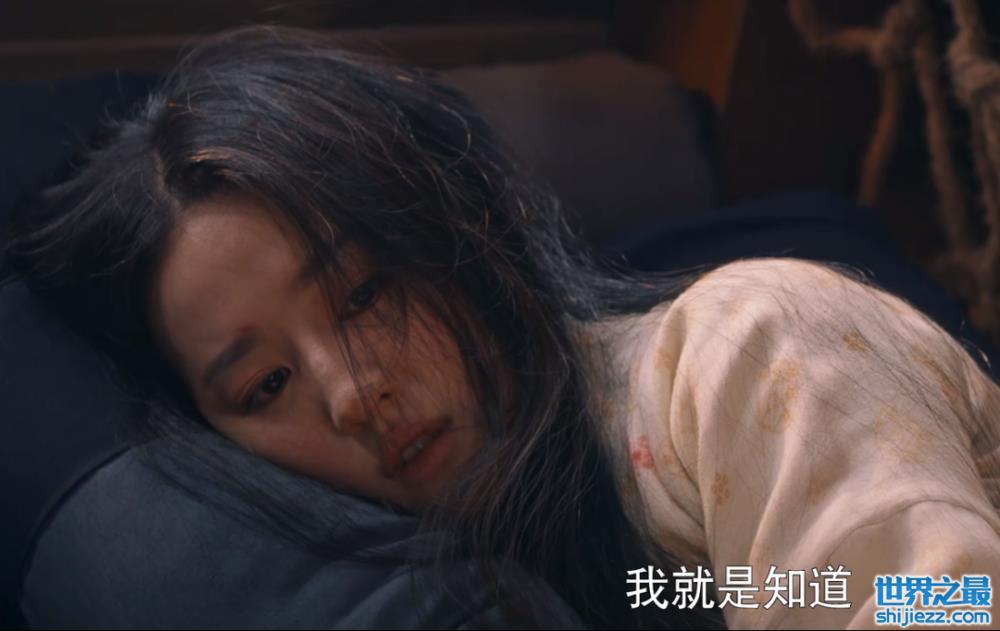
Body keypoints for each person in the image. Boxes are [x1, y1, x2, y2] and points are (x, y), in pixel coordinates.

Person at [5, 25, 999, 629]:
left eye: (364, 294)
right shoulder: (517, 552)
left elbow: (941, 602)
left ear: (459, 230)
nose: (352, 393)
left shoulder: (749, 347)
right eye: (266, 385)